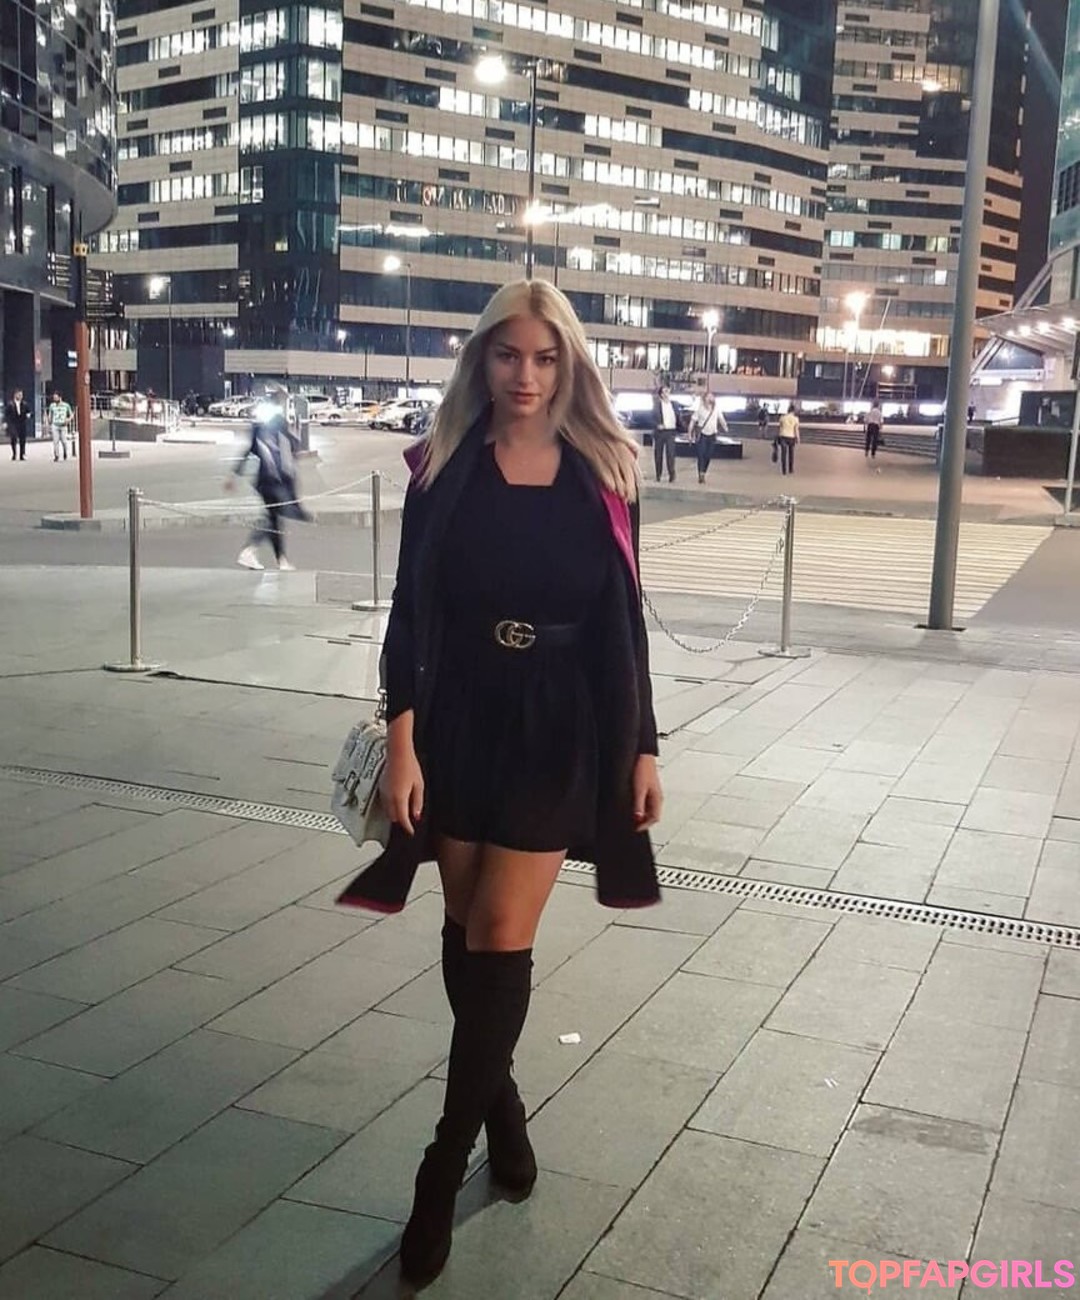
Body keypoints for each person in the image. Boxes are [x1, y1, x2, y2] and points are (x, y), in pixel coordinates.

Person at [335, 280, 663, 1289]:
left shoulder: (607, 472)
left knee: (501, 930)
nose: (527, 374)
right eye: (509, 354)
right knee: (464, 923)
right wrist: (403, 743)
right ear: (481, 359)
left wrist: (644, 747)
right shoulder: (442, 467)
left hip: (560, 723)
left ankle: (440, 1169)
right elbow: (408, 612)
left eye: (546, 357)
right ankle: (505, 1117)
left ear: (570, 365)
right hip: (459, 717)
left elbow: (625, 623)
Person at [226, 387, 309, 570]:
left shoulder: (267, 426)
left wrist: (234, 475)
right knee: (273, 518)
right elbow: (291, 447)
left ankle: (280, 559)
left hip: (270, 480)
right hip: (270, 481)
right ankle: (251, 551)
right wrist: (234, 475)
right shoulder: (275, 423)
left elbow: (251, 451)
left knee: (274, 518)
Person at [688, 390, 727, 484]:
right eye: (708, 396)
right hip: (702, 435)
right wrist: (689, 434)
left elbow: (721, 418)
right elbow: (692, 421)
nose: (710, 398)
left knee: (708, 455)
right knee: (701, 455)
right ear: (704, 399)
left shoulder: (716, 409)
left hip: (712, 435)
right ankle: (701, 475)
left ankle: (704, 471)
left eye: (711, 396)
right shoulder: (700, 409)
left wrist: (725, 426)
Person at [651, 384, 679, 483]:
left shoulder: (674, 404)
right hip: (660, 432)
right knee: (658, 454)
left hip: (671, 431)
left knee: (670, 453)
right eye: (665, 391)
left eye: (668, 391)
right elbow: (652, 418)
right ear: (661, 394)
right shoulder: (657, 405)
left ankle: (672, 474)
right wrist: (657, 425)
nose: (667, 393)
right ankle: (658, 474)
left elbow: (678, 417)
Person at [46, 392, 73, 462]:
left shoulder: (66, 405)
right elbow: (50, 414)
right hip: (55, 424)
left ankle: (65, 452)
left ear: (60, 397)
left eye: (56, 397)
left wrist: (68, 419)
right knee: (55, 441)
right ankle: (56, 455)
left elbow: (71, 414)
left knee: (64, 441)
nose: (54, 399)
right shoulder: (52, 406)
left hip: (63, 425)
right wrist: (49, 420)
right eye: (54, 398)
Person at [5, 388, 31, 461]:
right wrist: (6, 422)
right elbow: (6, 414)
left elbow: (29, 412)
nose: (20, 396)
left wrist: (29, 415)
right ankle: (14, 453)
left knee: (22, 439)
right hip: (13, 423)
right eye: (19, 395)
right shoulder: (10, 404)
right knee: (13, 437)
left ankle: (21, 454)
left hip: (22, 422)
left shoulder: (24, 404)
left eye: (21, 395)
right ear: (15, 395)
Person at [777, 402, 799, 475]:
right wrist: (797, 438)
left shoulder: (782, 418)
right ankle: (790, 469)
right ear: (793, 411)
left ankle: (784, 470)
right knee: (791, 453)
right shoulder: (796, 419)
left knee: (783, 454)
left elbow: (780, 427)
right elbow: (796, 429)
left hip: (783, 436)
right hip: (791, 436)